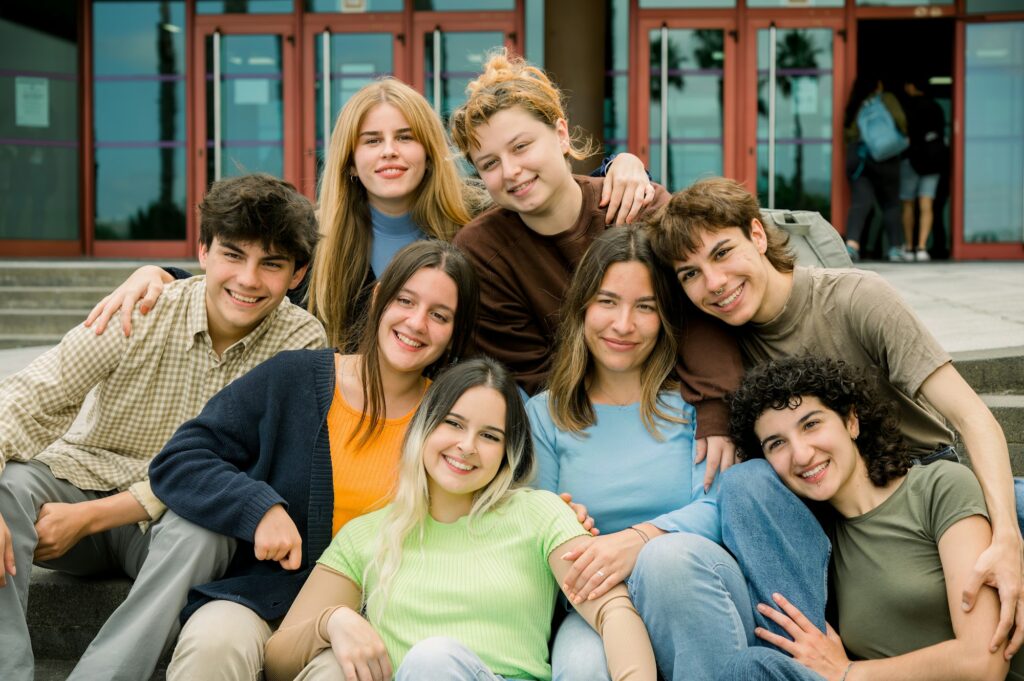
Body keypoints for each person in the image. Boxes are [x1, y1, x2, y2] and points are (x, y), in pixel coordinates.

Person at [646, 176, 1024, 656]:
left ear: (758, 236)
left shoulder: (855, 298)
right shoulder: (722, 344)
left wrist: (1006, 537)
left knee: (1016, 509)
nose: (714, 283)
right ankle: (807, 657)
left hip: (924, 483)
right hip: (826, 507)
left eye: (722, 253)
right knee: (748, 485)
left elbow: (974, 418)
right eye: (690, 274)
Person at [0, 173, 327, 681]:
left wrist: (93, 519)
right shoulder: (144, 307)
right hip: (74, 485)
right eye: (233, 255)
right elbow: (34, 392)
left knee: (210, 529)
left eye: (272, 264)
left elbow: (238, 469)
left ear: (298, 273)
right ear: (203, 250)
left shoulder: (301, 344)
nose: (247, 279)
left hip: (173, 518)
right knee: (6, 488)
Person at [84, 79, 651, 349]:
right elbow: (252, 279)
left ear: (429, 150)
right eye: (372, 140)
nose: (389, 152)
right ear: (350, 160)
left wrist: (624, 165)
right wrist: (162, 275)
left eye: (405, 137)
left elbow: (557, 202)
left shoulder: (481, 218)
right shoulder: (317, 233)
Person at [147, 240, 478, 680]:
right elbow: (181, 458)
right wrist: (258, 508)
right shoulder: (295, 377)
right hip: (261, 598)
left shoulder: (453, 422)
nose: (417, 323)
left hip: (368, 620)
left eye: (439, 315)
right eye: (405, 301)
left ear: (455, 332)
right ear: (379, 299)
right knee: (213, 642)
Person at [263, 357, 657, 681]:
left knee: (433, 659)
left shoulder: (540, 513)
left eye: (490, 436)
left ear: (507, 452)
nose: (466, 447)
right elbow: (277, 659)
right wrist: (333, 621)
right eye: (453, 423)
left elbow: (613, 612)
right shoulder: (367, 535)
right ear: (424, 427)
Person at [449, 50, 743, 481]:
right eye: (489, 164)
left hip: (682, 405)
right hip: (575, 427)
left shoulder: (638, 206)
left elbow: (701, 315)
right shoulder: (481, 250)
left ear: (561, 134)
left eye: (522, 146)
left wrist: (716, 409)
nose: (511, 171)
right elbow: (531, 373)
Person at [527, 227, 752, 681]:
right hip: (597, 600)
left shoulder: (696, 405)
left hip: (695, 587)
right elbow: (540, 527)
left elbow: (720, 505)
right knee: (583, 665)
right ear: (583, 307)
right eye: (608, 301)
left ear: (665, 317)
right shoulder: (545, 415)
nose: (624, 325)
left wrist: (639, 541)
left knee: (664, 561)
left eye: (645, 307)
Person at [719, 355, 1021, 681]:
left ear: (851, 421)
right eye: (777, 443)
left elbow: (984, 662)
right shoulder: (816, 542)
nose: (802, 455)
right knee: (747, 668)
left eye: (811, 424)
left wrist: (849, 672)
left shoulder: (939, 488)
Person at [842, 75, 908, 262]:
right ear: (878, 85)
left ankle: (852, 246)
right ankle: (896, 248)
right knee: (891, 204)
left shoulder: (855, 105)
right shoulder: (886, 99)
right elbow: (901, 120)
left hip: (861, 158)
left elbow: (849, 134)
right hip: (886, 157)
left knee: (860, 203)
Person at [900, 75, 948, 262]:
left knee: (908, 203)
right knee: (927, 204)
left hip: (911, 161)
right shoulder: (936, 107)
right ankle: (922, 247)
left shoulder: (908, 107)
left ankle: (909, 246)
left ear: (911, 86)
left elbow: (904, 134)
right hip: (933, 162)